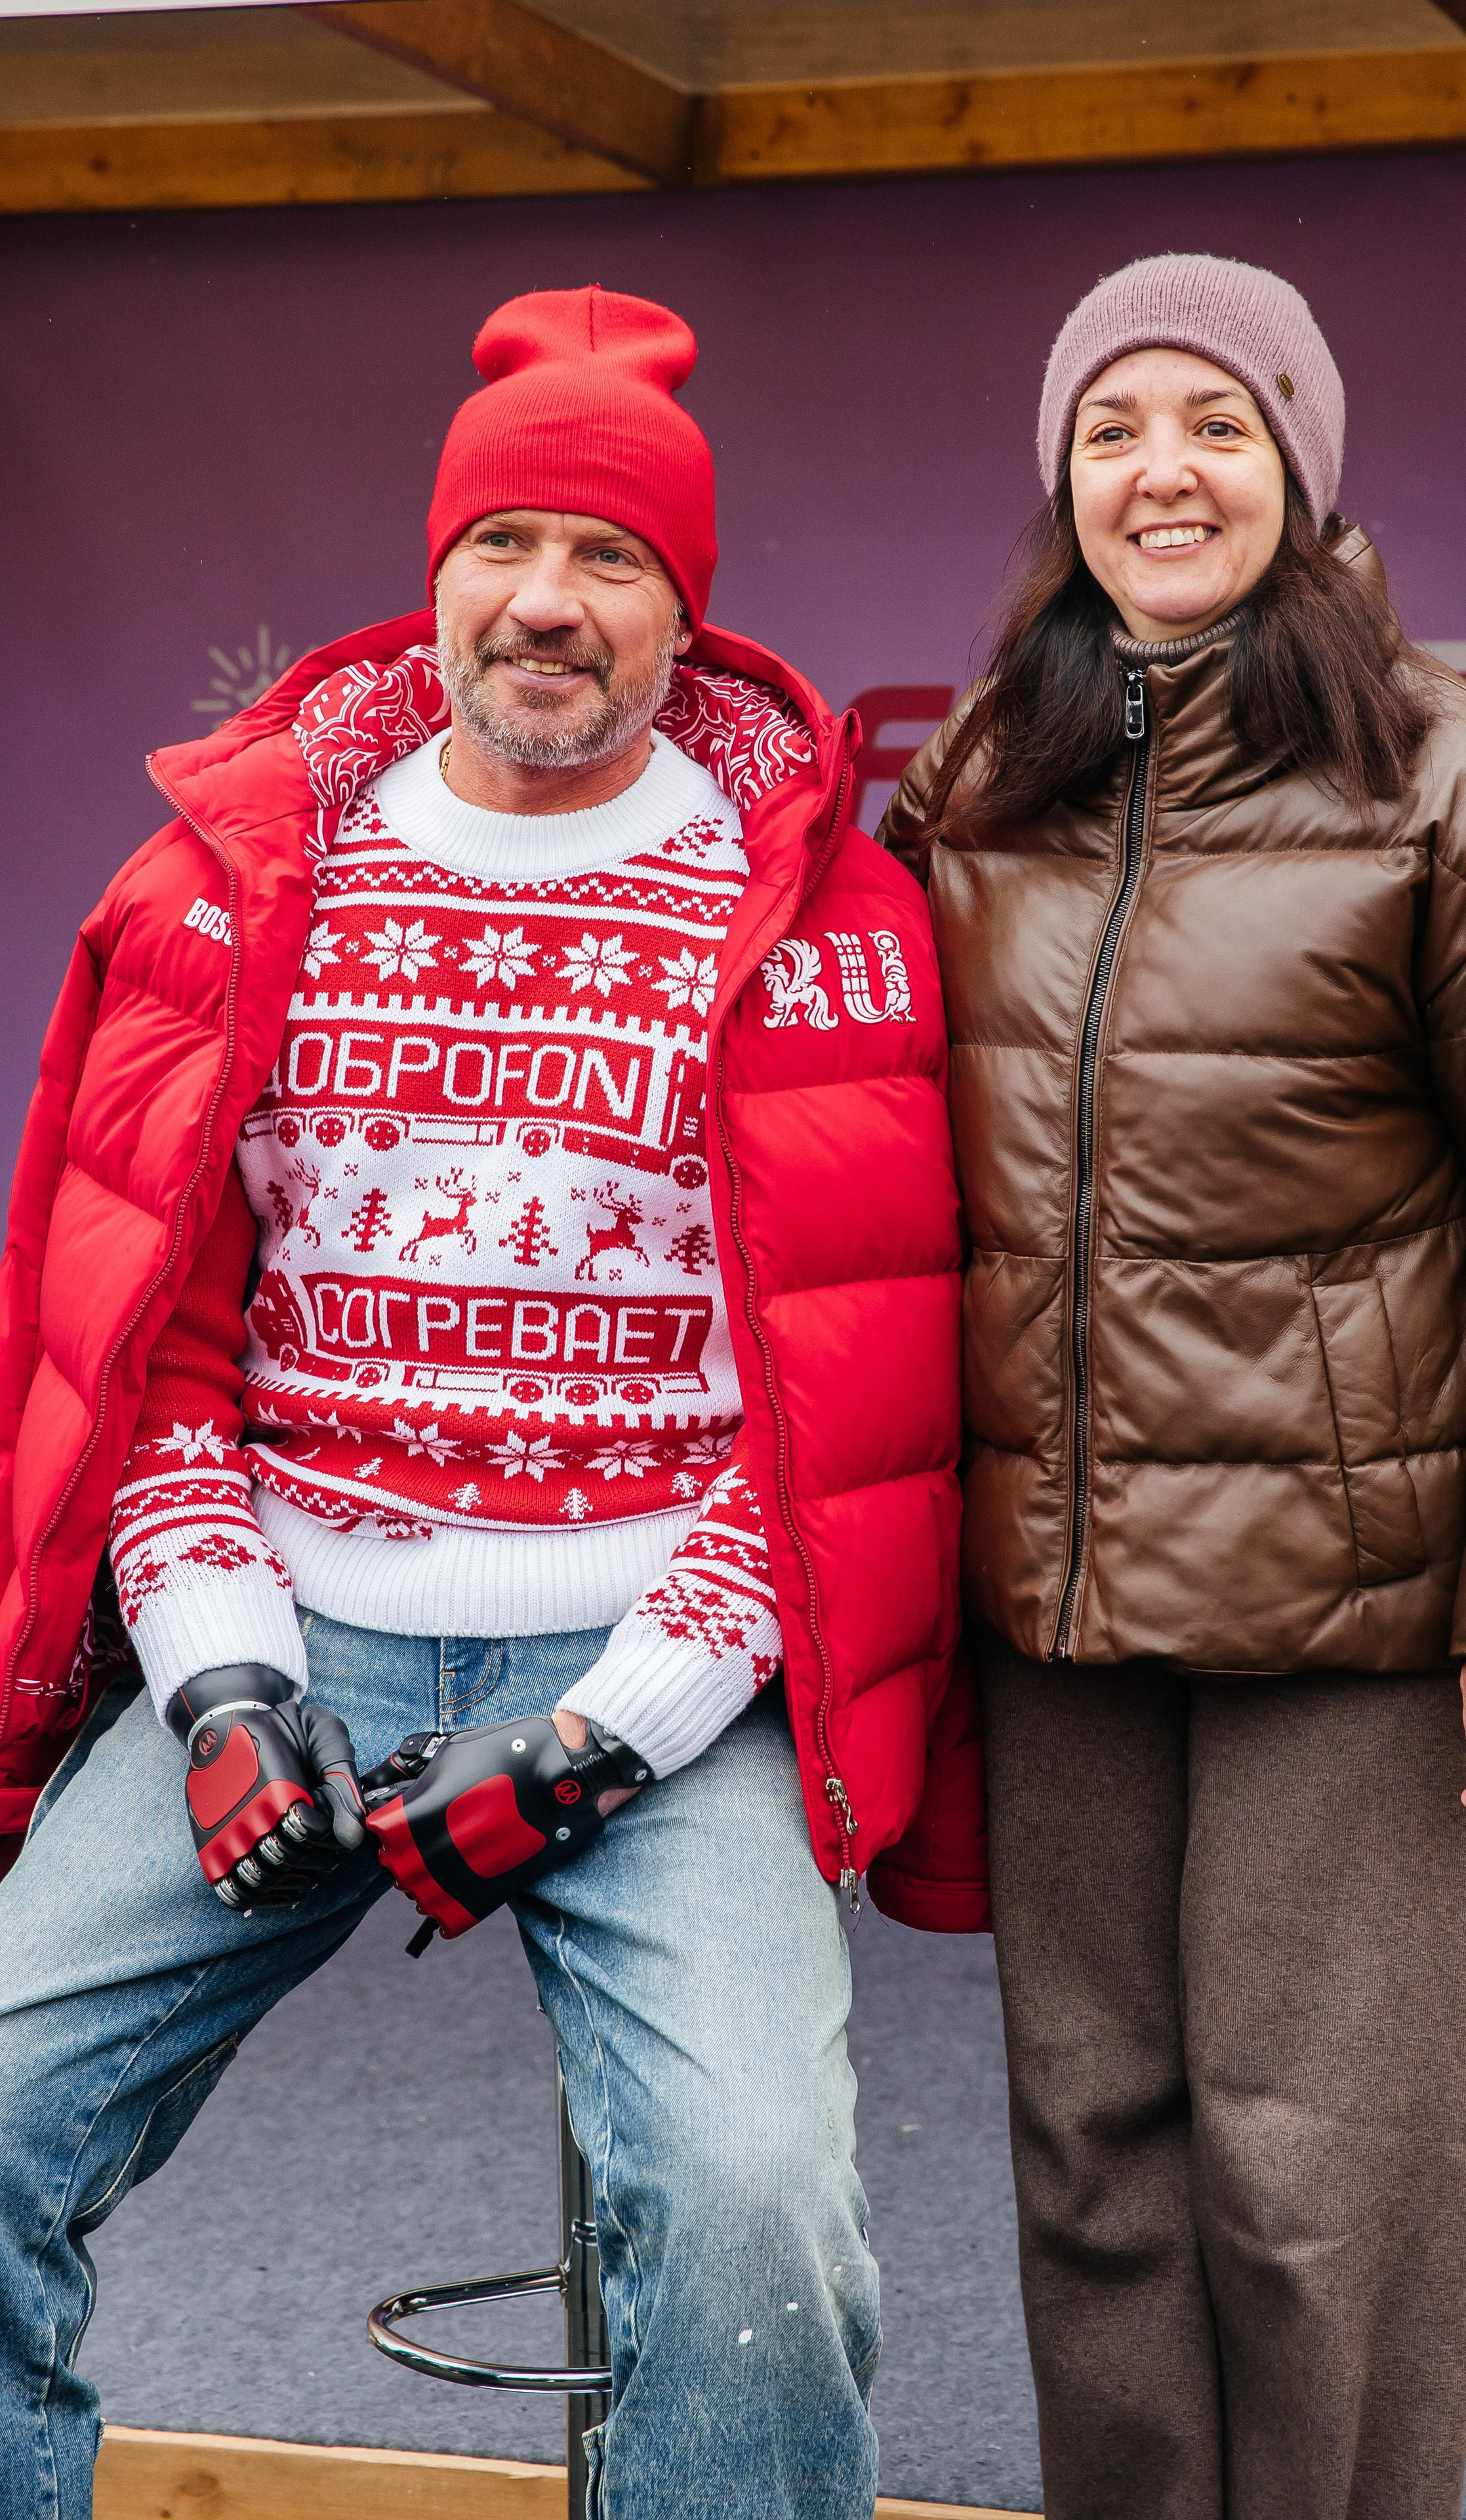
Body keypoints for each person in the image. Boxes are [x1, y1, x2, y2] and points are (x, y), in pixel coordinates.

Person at [0, 284, 987, 2520]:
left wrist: (600, 1736)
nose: (549, 602)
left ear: (685, 611)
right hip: (286, 1629)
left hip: (656, 1670)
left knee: (749, 2215)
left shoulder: (814, 916)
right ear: (434, 575)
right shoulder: (239, 885)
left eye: (612, 558)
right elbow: (157, 1347)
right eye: (505, 545)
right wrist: (228, 1680)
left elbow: (824, 1426)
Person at [882, 253, 1466, 2520]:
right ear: (1065, 475)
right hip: (1064, 1600)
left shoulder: (1457, 776)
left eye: (1220, 425)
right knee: (1099, 2166)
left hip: (1364, 1606)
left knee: (1317, 2188)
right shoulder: (983, 781)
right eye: (1118, 424)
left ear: (1304, 478)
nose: (1165, 470)